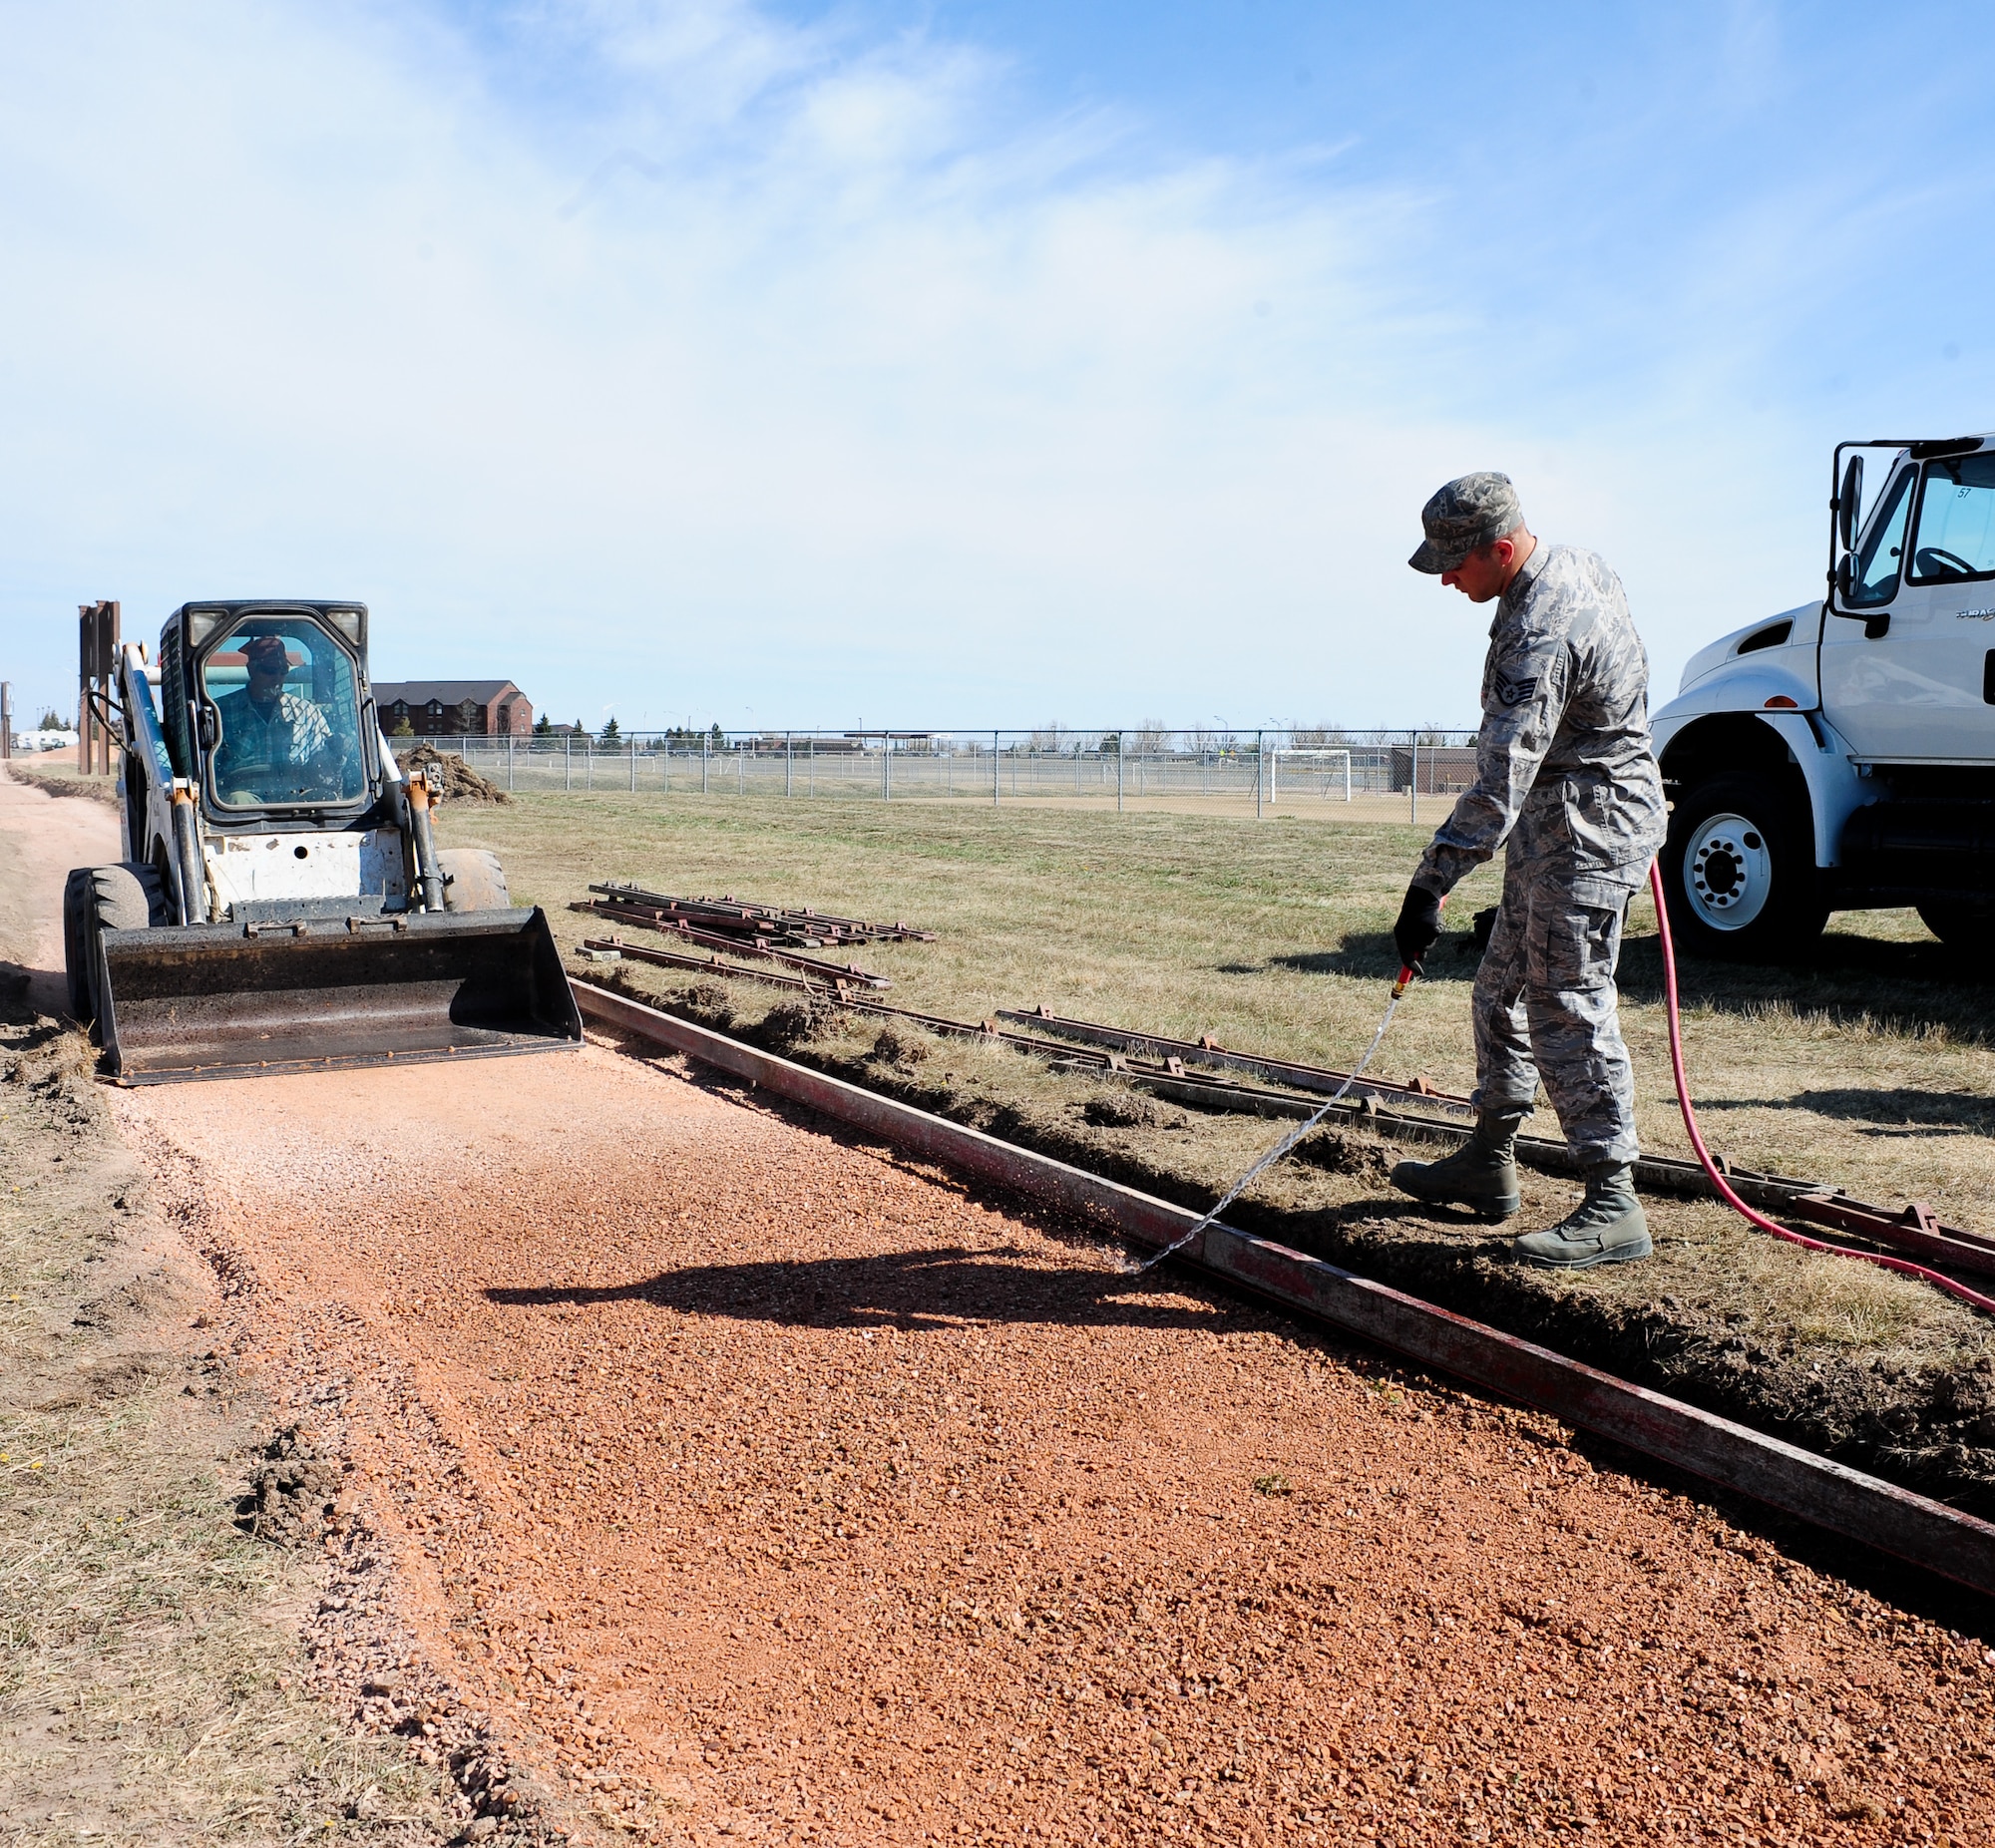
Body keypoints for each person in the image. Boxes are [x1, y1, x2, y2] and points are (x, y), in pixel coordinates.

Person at [1388, 472, 1666, 1268]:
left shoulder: (1539, 627)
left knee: (1566, 1002)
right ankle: (1489, 1161)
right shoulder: (1579, 565)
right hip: (1558, 825)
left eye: (1455, 564)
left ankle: (1614, 1203)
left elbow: (1500, 778)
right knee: (1499, 987)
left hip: (1589, 830)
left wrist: (1430, 881)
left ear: (1502, 549)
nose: (1445, 577)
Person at [210, 633, 336, 798]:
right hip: (243, 801)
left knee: (323, 798)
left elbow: (323, 765)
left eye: (283, 670)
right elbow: (210, 768)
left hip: (295, 796)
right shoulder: (221, 712)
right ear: (251, 669)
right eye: (270, 670)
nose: (277, 677)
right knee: (238, 799)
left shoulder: (306, 712)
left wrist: (335, 752)